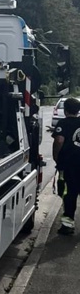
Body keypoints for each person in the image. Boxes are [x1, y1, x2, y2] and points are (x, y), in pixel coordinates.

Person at [52, 97, 80, 235]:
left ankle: (68, 226)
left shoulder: (63, 123)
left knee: (69, 195)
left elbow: (59, 140)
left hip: (69, 165)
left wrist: (57, 158)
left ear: (65, 110)